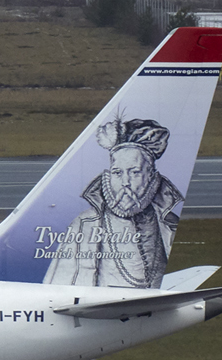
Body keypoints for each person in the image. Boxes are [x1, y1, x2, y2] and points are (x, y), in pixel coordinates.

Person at [43, 118, 183, 289]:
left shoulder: (170, 225)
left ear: (152, 176)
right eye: (117, 173)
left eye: (135, 172)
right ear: (108, 177)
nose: (126, 182)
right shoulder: (85, 224)